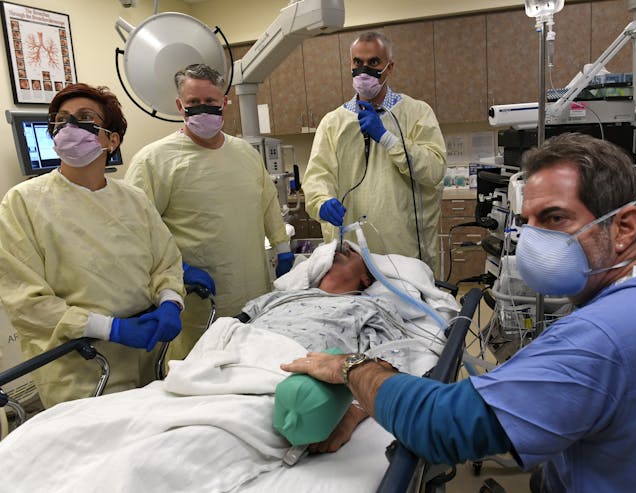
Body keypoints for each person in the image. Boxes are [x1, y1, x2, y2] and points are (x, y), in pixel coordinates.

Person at [284, 133, 636, 492]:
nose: (531, 241)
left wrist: (351, 366)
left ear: (624, 226)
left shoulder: (603, 337)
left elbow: (438, 425)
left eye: (555, 219)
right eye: (527, 221)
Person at [0, 242, 451, 492]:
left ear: (367, 277)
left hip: (284, 376)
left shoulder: (366, 310)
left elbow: (392, 366)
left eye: (350, 251)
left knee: (172, 453)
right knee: (61, 430)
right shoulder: (280, 295)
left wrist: (352, 414)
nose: (339, 248)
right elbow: (231, 330)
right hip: (220, 367)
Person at [0, 83, 185, 408]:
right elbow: (25, 301)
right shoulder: (22, 203)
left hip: (146, 355)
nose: (68, 127)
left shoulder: (134, 199)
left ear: (111, 140)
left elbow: (165, 262)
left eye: (84, 119)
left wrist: (170, 300)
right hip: (81, 366)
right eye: (60, 120)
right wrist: (109, 328)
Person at [124, 63, 294, 362]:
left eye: (211, 103)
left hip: (253, 291)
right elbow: (136, 231)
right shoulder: (154, 161)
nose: (202, 109)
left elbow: (267, 202)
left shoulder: (244, 153)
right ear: (180, 105)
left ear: (224, 103)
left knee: (254, 368)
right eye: (193, 103)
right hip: (198, 300)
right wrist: (179, 273)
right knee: (202, 380)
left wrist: (282, 247)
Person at [302, 31, 446, 275]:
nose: (364, 70)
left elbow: (434, 170)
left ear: (389, 68)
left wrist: (388, 138)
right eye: (357, 63)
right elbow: (317, 176)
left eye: (373, 63)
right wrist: (322, 202)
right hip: (352, 254)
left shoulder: (417, 113)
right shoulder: (333, 122)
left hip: (404, 252)